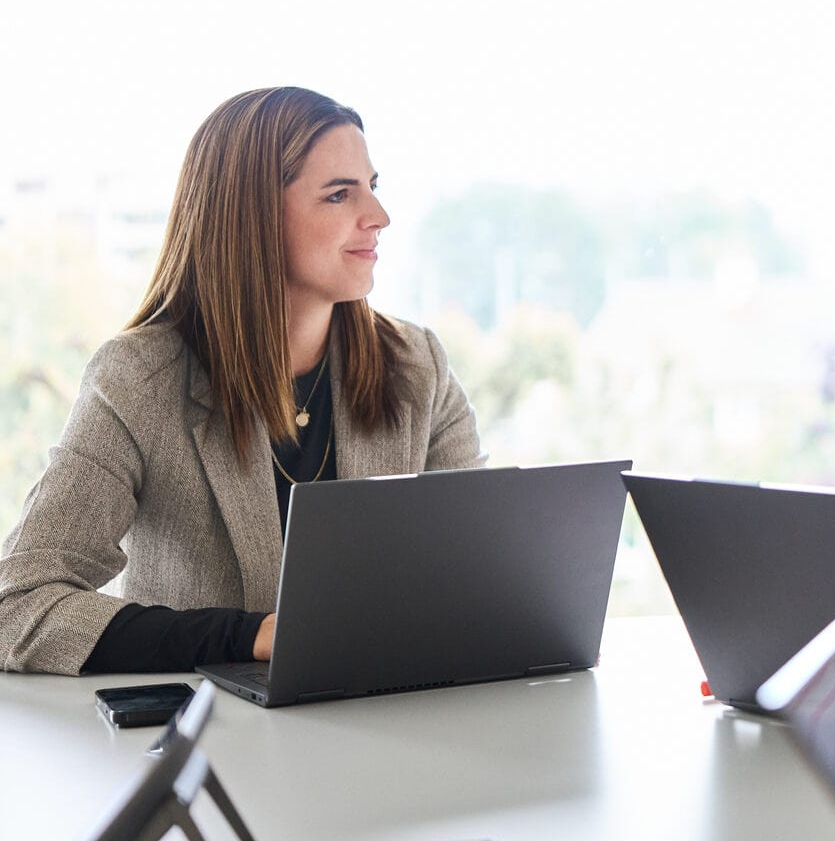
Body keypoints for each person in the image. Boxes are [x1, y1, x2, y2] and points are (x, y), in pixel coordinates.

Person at [0, 86, 483, 674]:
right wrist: (246, 637)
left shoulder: (416, 365)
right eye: (339, 194)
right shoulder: (140, 380)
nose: (379, 217)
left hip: (389, 714)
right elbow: (18, 608)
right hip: (212, 722)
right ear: (251, 217)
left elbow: (481, 571)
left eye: (372, 186)